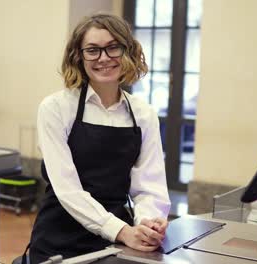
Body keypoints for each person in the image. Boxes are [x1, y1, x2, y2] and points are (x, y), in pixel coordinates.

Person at [24, 13, 171, 264]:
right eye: (92, 50)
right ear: (78, 57)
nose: (103, 58)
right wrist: (122, 231)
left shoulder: (144, 115)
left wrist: (148, 222)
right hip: (60, 240)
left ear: (128, 52)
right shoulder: (56, 108)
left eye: (113, 47)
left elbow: (149, 186)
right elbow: (68, 190)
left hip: (117, 244)